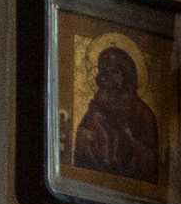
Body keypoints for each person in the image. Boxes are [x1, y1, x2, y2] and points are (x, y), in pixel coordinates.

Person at [70, 41, 164, 191]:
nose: (108, 78)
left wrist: (131, 139)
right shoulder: (97, 107)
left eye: (114, 71)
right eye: (104, 72)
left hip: (131, 187)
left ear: (126, 73)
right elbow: (82, 145)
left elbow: (151, 159)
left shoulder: (142, 112)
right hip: (95, 181)